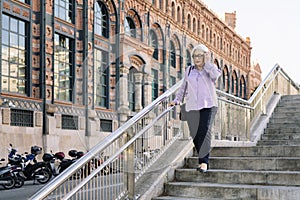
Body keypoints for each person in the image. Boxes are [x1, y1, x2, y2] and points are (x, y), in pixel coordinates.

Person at [170, 44, 221, 172]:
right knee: (195, 134)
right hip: (192, 105)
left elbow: (216, 77)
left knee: (204, 131)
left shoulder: (210, 69)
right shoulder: (189, 70)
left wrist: (208, 63)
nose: (197, 58)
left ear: (205, 56)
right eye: (194, 56)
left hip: (208, 105)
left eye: (200, 55)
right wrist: (176, 100)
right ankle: (202, 155)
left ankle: (204, 162)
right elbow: (184, 87)